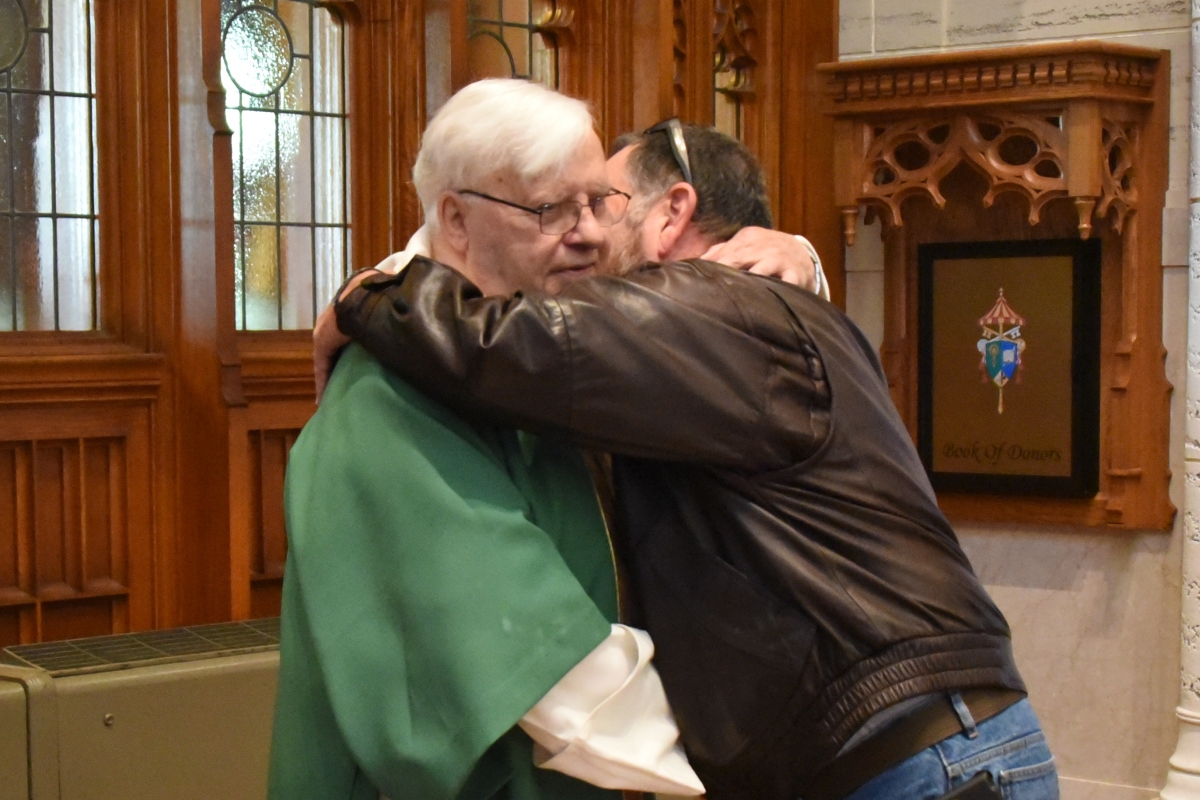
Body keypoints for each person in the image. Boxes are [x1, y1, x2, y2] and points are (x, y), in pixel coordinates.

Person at [331, 120, 1060, 800]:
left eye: (602, 202)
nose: (581, 230)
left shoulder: (711, 306)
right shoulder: (757, 310)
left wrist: (371, 294)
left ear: (673, 212)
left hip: (915, 763)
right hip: (915, 750)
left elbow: (503, 345)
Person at [270, 79, 814, 800]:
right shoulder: (389, 396)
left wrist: (802, 260)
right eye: (550, 208)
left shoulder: (547, 360)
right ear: (456, 221)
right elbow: (549, 671)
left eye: (598, 201)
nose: (588, 232)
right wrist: (744, 760)